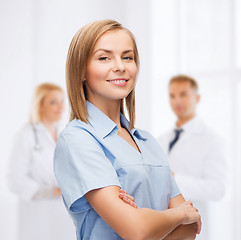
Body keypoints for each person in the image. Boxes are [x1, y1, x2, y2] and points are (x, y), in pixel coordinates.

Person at [54, 19, 201, 240]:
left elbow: (190, 229)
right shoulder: (77, 139)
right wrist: (178, 215)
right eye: (104, 57)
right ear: (81, 71)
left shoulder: (148, 142)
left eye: (127, 57)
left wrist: (150, 219)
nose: (120, 66)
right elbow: (137, 230)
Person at [158, 75, 227, 240]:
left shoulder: (212, 140)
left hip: (196, 230)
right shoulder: (161, 140)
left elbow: (218, 188)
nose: (177, 101)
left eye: (183, 94)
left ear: (197, 98)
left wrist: (173, 180)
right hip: (164, 227)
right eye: (172, 95)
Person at [7, 83, 75, 240]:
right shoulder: (26, 135)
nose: (60, 106)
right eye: (53, 102)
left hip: (64, 213)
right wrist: (48, 191)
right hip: (38, 213)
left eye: (62, 101)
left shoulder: (65, 135)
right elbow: (14, 180)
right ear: (40, 105)